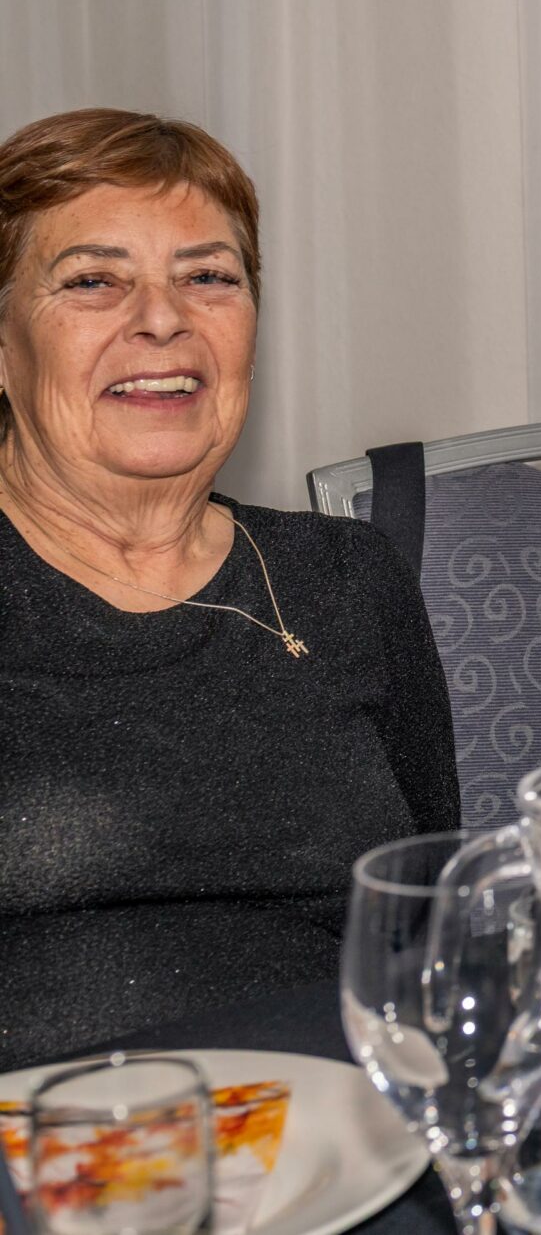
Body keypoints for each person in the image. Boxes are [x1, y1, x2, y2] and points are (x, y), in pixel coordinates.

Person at [0, 110, 457, 1072]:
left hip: (346, 1129)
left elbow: (428, 923)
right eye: (93, 281)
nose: (163, 319)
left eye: (209, 277)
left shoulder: (347, 579)